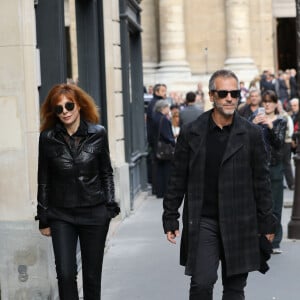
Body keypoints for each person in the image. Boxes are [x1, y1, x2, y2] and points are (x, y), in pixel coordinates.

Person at [162, 69, 276, 300]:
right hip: (205, 221)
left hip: (241, 221)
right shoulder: (192, 132)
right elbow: (177, 178)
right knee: (202, 284)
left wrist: (267, 223)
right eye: (223, 93)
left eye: (234, 93)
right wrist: (170, 215)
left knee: (235, 290)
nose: (229, 98)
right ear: (212, 95)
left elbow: (261, 182)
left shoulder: (251, 133)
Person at [35, 83, 120, 300]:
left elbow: (106, 173)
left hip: (94, 213)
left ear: (79, 106)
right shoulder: (47, 138)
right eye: (59, 108)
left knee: (92, 276)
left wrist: (109, 206)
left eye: (69, 105)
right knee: (65, 274)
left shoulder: (97, 134)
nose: (65, 111)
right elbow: (43, 179)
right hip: (61, 214)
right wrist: (43, 217)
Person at [250, 90, 286, 254]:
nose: (267, 104)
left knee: (276, 204)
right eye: (265, 101)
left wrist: (270, 126)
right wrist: (253, 124)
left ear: (275, 103)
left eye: (270, 101)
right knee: (259, 205)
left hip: (275, 166)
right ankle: (260, 239)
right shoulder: (254, 119)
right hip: (258, 167)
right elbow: (245, 138)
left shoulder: (280, 121)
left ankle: (275, 241)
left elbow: (279, 143)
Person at [153, 99, 175, 198]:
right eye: (167, 107)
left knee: (159, 170)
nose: (169, 109)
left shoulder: (155, 117)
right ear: (163, 108)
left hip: (157, 147)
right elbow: (167, 135)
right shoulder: (164, 119)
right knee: (166, 170)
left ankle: (159, 191)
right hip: (165, 149)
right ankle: (165, 191)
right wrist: (173, 142)